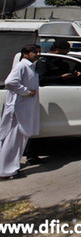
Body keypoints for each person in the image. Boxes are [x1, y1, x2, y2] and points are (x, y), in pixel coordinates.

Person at [0, 45, 41, 179]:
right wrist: (27, 92)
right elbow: (10, 82)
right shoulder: (21, 66)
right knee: (12, 140)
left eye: (39, 52)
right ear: (25, 54)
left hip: (24, 109)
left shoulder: (31, 67)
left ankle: (11, 168)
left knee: (18, 140)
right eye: (34, 52)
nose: (38, 54)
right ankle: (7, 171)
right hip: (17, 110)